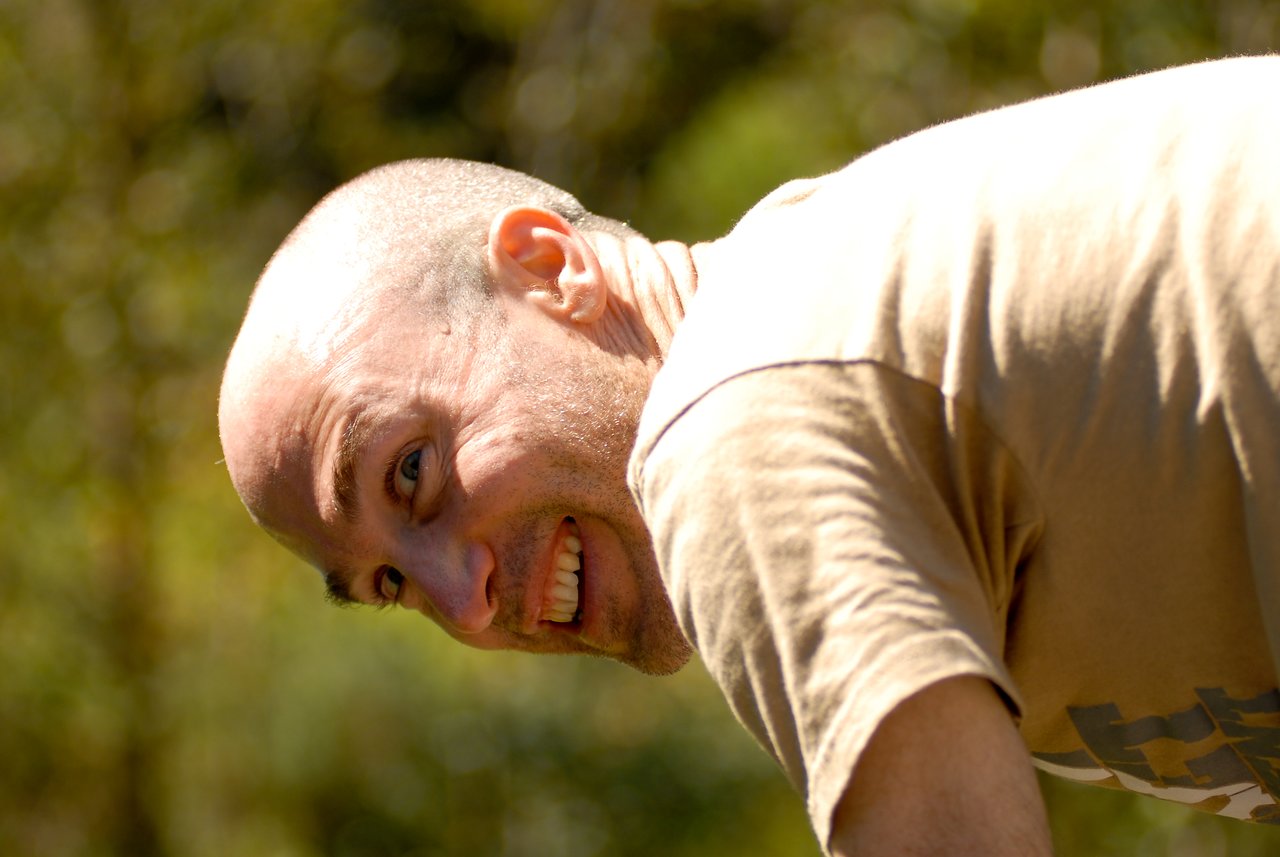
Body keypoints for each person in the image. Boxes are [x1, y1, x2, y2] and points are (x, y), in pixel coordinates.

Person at [219, 55, 1280, 854]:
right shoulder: (838, 305)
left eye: (412, 470)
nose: (464, 606)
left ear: (549, 269)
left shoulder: (730, 421)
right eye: (392, 583)